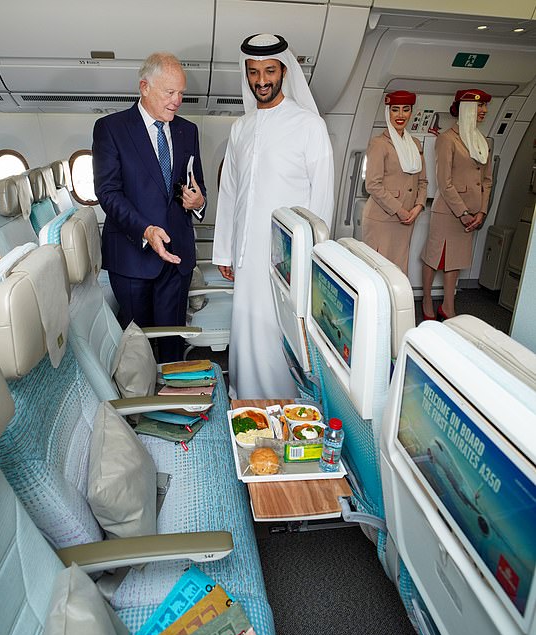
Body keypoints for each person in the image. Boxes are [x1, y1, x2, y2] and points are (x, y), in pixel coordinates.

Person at [212, 33, 334, 399]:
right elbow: (230, 193)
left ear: (284, 70)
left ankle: (285, 408)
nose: (261, 80)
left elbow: (322, 199)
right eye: (253, 72)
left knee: (280, 338)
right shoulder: (240, 128)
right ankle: (245, 402)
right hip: (247, 257)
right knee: (247, 334)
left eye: (269, 70)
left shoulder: (310, 126)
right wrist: (224, 252)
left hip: (287, 258)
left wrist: (313, 260)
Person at [92, 52, 207, 362]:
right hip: (133, 256)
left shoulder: (187, 130)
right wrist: (146, 230)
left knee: (172, 342)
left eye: (181, 92)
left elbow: (197, 186)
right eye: (170, 92)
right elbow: (108, 192)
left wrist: (199, 201)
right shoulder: (111, 128)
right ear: (144, 87)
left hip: (177, 255)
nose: (178, 100)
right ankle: (142, 407)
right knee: (136, 349)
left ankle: (173, 403)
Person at [421, 88, 492, 320]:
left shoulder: (482, 142)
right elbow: (444, 181)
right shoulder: (447, 139)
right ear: (467, 109)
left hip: (472, 212)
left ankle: (449, 306)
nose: (484, 111)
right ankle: (428, 299)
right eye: (479, 106)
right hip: (448, 211)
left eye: (484, 106)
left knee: (456, 261)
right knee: (435, 257)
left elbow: (487, 180)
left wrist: (482, 210)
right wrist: (462, 213)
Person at [362, 90, 427, 274]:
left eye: (405, 110)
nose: (400, 115)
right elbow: (373, 184)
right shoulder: (379, 143)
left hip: (407, 219)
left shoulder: (415, 144)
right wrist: (400, 210)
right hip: (382, 219)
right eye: (395, 110)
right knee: (377, 273)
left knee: (398, 272)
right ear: (387, 112)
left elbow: (423, 181)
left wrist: (419, 206)